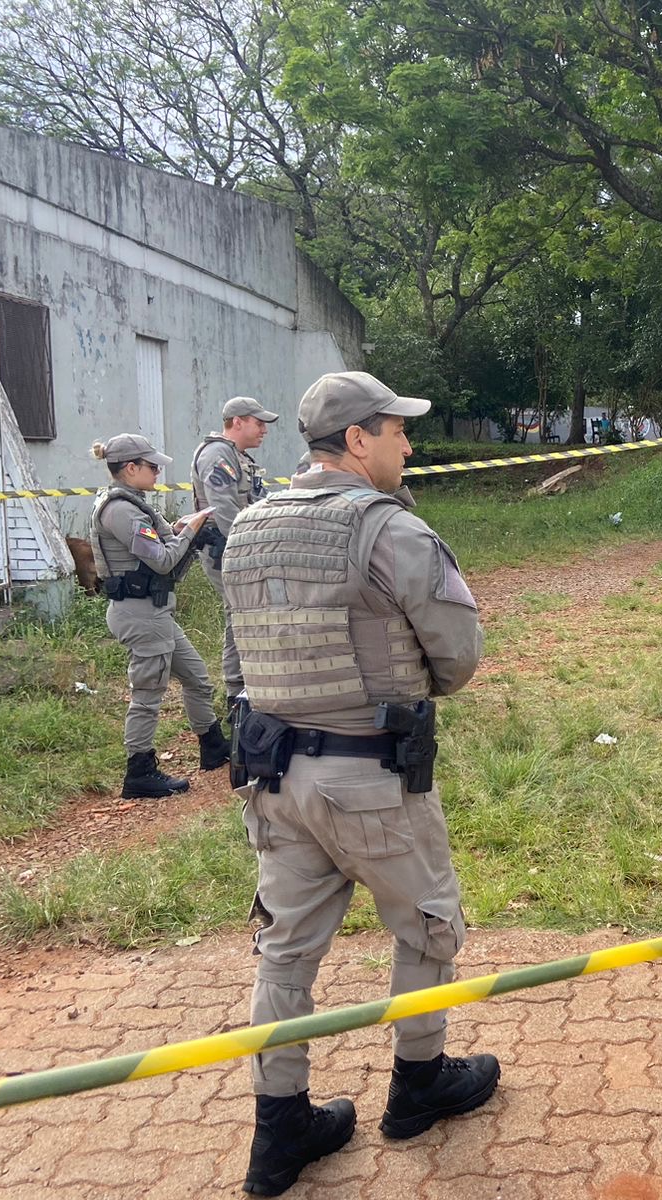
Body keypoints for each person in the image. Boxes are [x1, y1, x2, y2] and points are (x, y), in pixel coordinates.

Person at [221, 371, 495, 1196]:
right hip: (371, 778)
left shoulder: (248, 526)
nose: (409, 443)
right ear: (356, 440)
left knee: (285, 953)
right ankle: (418, 1086)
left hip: (274, 778)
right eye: (396, 429)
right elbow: (458, 659)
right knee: (425, 925)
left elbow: (239, 662)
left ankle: (280, 1132)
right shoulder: (390, 531)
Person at [88, 435, 232, 797]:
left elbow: (161, 549)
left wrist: (183, 530)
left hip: (154, 612)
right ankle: (139, 770)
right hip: (139, 614)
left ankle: (213, 746)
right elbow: (163, 559)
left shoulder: (133, 505)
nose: (157, 472)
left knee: (197, 677)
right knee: (148, 693)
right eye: (152, 467)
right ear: (130, 468)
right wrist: (192, 532)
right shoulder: (120, 510)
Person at [191, 396, 279, 707]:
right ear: (237, 422)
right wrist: (249, 549)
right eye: (258, 423)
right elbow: (224, 509)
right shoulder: (218, 455)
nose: (264, 429)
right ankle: (236, 693)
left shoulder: (237, 457)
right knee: (240, 616)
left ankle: (246, 686)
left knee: (246, 615)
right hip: (226, 549)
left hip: (238, 547)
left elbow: (257, 499)